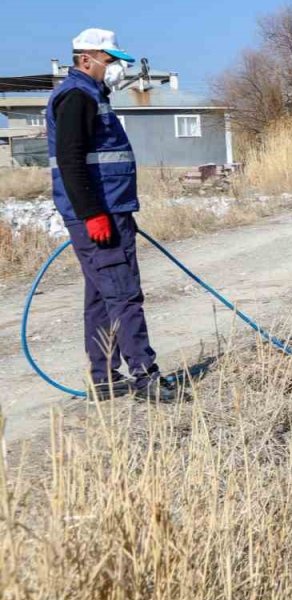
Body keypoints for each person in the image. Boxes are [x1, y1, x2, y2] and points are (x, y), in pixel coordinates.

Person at [47, 28, 180, 403]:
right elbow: (72, 161)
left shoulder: (91, 95)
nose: (117, 69)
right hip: (98, 215)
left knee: (101, 296)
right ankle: (145, 375)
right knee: (123, 293)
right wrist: (94, 215)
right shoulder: (76, 97)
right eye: (110, 61)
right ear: (86, 59)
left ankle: (105, 376)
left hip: (111, 210)